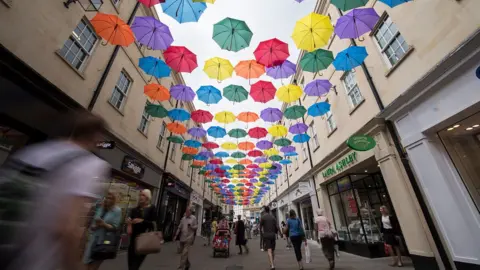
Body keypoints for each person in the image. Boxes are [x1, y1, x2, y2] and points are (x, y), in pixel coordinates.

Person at [3, 112, 110, 270]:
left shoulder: (31, 152)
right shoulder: (89, 163)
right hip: (37, 261)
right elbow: (67, 228)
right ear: (96, 136)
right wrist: (74, 266)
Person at [83, 191, 122, 270]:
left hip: (103, 242)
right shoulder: (101, 207)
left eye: (110, 198)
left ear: (114, 200)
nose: (108, 200)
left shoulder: (117, 210)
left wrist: (104, 224)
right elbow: (93, 223)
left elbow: (115, 227)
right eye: (107, 197)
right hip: (93, 239)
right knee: (86, 263)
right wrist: (94, 226)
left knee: (94, 266)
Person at [126, 189, 157, 270]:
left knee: (135, 266)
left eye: (143, 195)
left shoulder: (152, 208)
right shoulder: (134, 210)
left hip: (144, 240)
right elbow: (129, 226)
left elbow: (154, 223)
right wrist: (129, 224)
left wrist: (142, 221)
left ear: (147, 197)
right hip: (133, 240)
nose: (140, 197)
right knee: (131, 265)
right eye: (140, 195)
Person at [260, 206, 280, 270]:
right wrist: (281, 233)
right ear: (269, 210)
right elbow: (277, 226)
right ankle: (272, 263)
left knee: (269, 250)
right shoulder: (273, 217)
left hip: (267, 235)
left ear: (265, 211)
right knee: (273, 250)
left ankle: (272, 265)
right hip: (273, 235)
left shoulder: (263, 217)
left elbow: (260, 227)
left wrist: (261, 233)